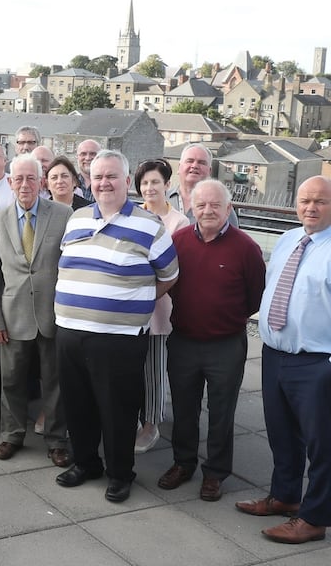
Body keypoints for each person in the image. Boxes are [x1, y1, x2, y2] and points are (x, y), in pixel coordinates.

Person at [53, 150, 178, 503]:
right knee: (78, 406)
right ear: (89, 182)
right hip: (71, 332)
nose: (104, 182)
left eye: (112, 176)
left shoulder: (148, 225)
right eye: (98, 177)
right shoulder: (76, 218)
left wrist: (129, 302)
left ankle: (120, 473)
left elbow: (169, 276)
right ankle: (86, 463)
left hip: (119, 338)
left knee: (118, 411)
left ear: (126, 182)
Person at [237, 175, 331, 544]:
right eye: (305, 200)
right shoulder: (290, 238)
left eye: (320, 201)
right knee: (281, 433)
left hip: (316, 361)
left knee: (322, 444)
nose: (310, 207)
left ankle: (314, 518)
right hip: (275, 354)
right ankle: (286, 496)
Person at [158, 179, 265, 502]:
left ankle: (216, 473)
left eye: (215, 205)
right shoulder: (177, 242)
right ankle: (183, 463)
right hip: (185, 341)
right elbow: (169, 283)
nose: (207, 210)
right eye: (201, 204)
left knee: (221, 412)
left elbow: (255, 298)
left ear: (228, 209)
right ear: (190, 207)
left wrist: (225, 318)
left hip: (226, 344)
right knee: (184, 408)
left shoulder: (246, 248)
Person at [0, 155, 73, 465]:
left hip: (53, 316)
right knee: (11, 381)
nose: (24, 185)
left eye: (31, 178)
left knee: (55, 383)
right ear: (10, 183)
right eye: (18, 179)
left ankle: (57, 440)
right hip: (12, 316)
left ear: (42, 182)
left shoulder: (64, 215)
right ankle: (12, 435)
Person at [132, 158, 189, 453]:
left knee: (154, 368)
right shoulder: (130, 215)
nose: (149, 188)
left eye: (155, 182)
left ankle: (152, 423)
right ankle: (131, 417)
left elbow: (175, 268)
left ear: (168, 185)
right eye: (144, 183)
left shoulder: (178, 222)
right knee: (130, 366)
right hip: (129, 307)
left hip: (159, 305)